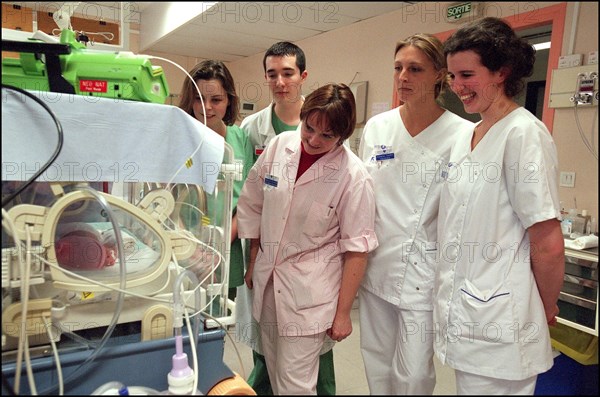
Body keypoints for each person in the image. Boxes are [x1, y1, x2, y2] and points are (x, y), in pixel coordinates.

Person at [434, 17, 565, 395]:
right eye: (452, 76)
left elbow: (548, 242)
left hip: (503, 322)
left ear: (502, 72)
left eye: (467, 75)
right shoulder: (470, 134)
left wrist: (544, 306)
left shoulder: (523, 134)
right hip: (470, 314)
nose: (457, 86)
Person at [237, 83, 378, 395]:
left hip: (309, 297)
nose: (313, 140)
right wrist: (252, 262)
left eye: (326, 136)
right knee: (274, 372)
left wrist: (342, 314)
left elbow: (358, 249)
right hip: (269, 283)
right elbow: (253, 202)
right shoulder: (280, 146)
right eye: (309, 127)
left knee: (295, 385)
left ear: (343, 136)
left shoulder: (354, 178)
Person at [357, 33, 474, 395]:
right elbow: (361, 195)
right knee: (376, 362)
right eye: (398, 68)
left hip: (424, 273)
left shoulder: (463, 134)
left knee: (413, 375)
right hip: (376, 264)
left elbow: (464, 213)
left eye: (415, 69)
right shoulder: (378, 127)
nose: (403, 77)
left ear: (440, 74)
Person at [237, 41, 338, 395]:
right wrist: (252, 257)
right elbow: (249, 198)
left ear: (303, 76)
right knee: (267, 350)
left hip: (310, 269)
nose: (280, 81)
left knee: (310, 362)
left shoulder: (331, 134)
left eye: (288, 73)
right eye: (272, 74)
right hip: (267, 259)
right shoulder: (254, 129)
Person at [178, 59, 254, 303]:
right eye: (199, 98)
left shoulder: (239, 139)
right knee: (183, 323)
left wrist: (220, 245)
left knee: (217, 326)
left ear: (229, 100)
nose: (207, 107)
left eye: (216, 100)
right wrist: (191, 247)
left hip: (225, 248)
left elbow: (248, 202)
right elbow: (166, 197)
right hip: (184, 245)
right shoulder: (180, 138)